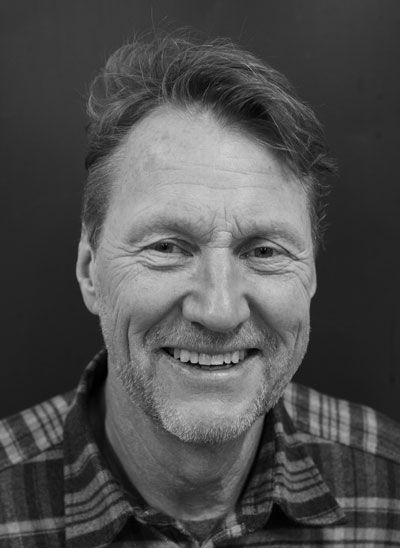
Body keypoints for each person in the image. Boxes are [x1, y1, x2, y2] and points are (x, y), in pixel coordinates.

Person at [1, 31, 399, 548]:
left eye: (264, 251)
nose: (219, 309)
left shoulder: (389, 488)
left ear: (311, 277)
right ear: (88, 271)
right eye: (167, 247)